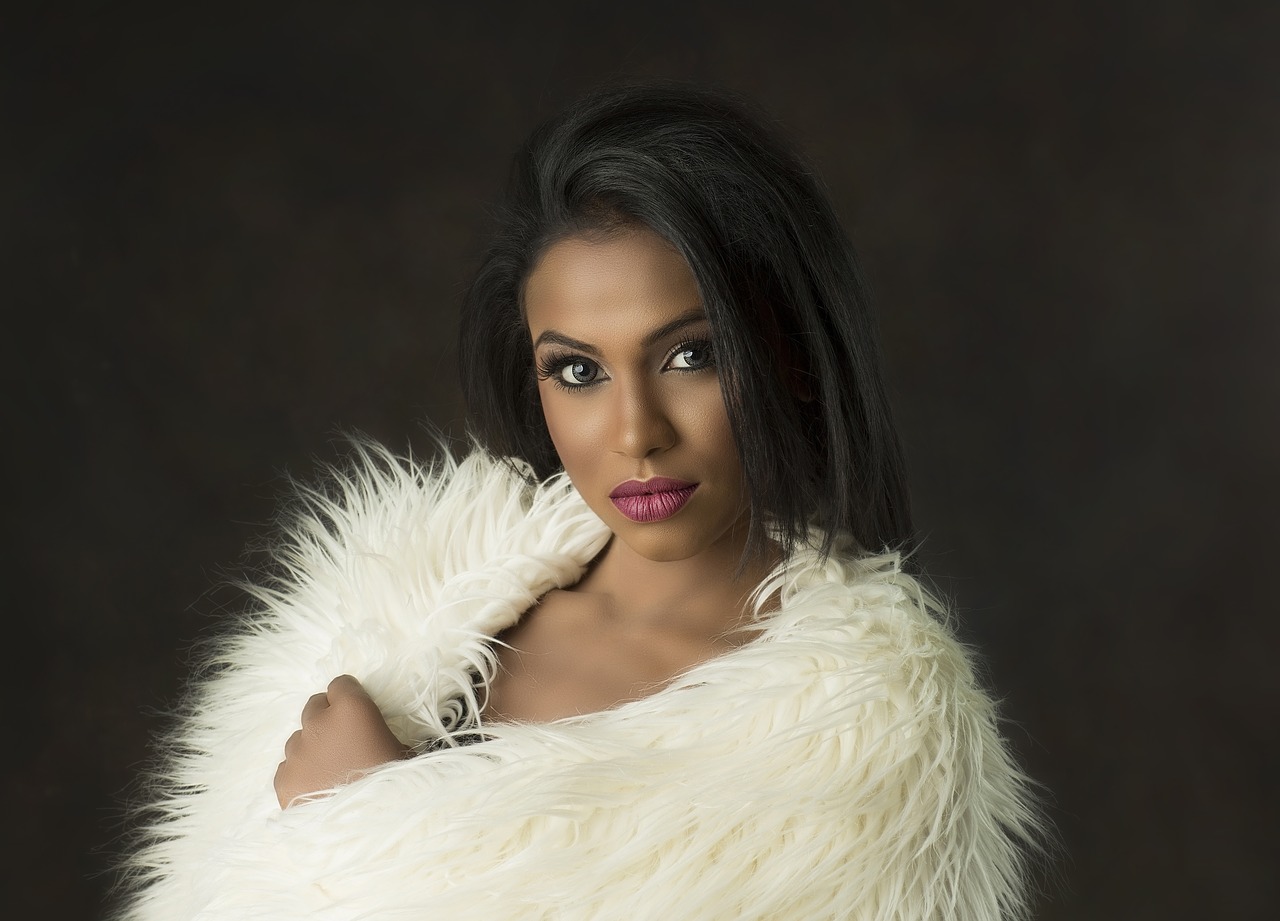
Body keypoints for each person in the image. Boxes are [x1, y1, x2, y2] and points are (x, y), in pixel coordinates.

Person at [114, 82, 1043, 920]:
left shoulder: (869, 754)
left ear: (789, 357)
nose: (636, 431)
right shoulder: (372, 617)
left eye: (690, 354)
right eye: (579, 370)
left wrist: (370, 824)